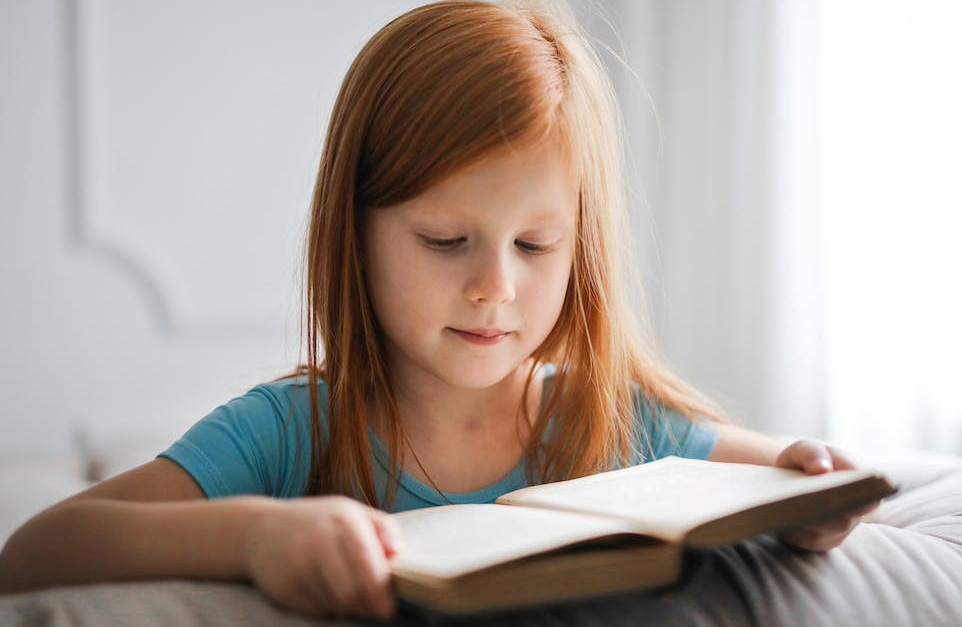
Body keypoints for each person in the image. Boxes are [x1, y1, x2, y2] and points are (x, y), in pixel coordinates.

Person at [0, 0, 877, 621]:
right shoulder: (292, 429)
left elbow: (782, 474)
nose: (495, 285)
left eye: (535, 247)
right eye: (444, 240)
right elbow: (35, 551)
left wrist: (809, 484)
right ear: (358, 232)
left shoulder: (601, 415)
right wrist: (258, 535)